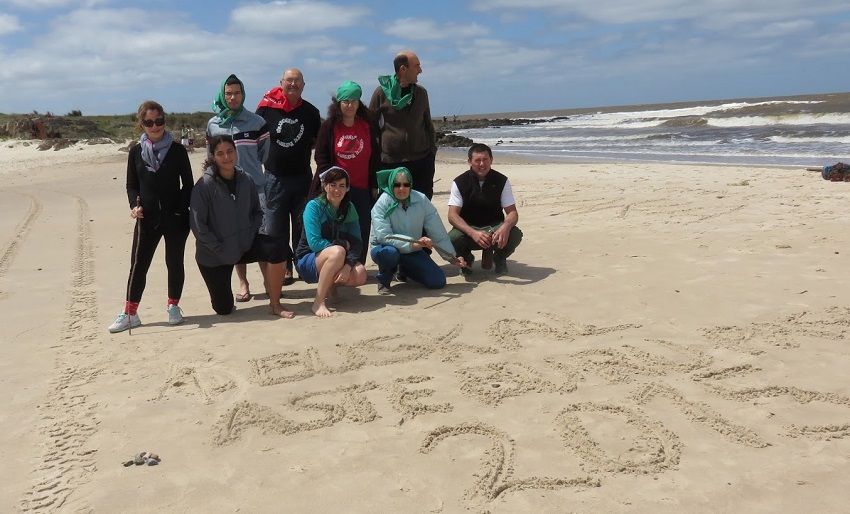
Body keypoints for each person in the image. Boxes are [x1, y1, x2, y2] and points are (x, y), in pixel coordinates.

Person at [108, 100, 193, 333]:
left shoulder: (177, 151)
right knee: (139, 265)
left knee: (174, 263)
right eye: (149, 122)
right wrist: (133, 206)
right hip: (146, 218)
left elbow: (188, 185)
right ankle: (130, 313)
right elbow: (131, 185)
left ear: (164, 120)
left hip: (175, 218)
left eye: (159, 121)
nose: (155, 126)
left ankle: (173, 307)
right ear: (141, 123)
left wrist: (180, 210)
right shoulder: (135, 151)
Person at [190, 135, 294, 318]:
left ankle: (275, 303)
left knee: (279, 248)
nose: (226, 157)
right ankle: (228, 296)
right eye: (220, 153)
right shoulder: (204, 185)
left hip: (243, 244)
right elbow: (199, 227)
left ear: (236, 152)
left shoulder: (246, 179)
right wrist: (220, 248)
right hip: (214, 254)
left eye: (230, 151)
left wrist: (249, 234)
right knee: (223, 309)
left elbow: (257, 212)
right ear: (213, 156)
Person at [207, 73, 271, 303]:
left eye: (237, 93)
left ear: (243, 94)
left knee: (262, 236)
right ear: (223, 96)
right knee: (234, 239)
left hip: (256, 189)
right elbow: (211, 158)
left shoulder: (257, 122)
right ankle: (243, 282)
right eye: (229, 93)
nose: (233, 97)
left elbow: (264, 154)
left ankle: (268, 281)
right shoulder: (213, 125)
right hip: (226, 191)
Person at [256, 68, 321, 285]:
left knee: (303, 225)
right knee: (276, 228)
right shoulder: (265, 109)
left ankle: (303, 264)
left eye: (297, 81)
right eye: (289, 81)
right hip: (274, 178)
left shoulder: (311, 112)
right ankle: (284, 267)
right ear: (281, 83)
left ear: (304, 85)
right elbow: (256, 139)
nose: (293, 84)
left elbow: (317, 141)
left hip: (302, 176)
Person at [312, 80, 380, 264]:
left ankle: (358, 264)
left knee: (362, 226)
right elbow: (321, 156)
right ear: (338, 103)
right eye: (346, 101)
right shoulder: (329, 126)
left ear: (359, 103)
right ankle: (337, 264)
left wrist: (374, 184)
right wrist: (329, 182)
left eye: (354, 101)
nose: (350, 105)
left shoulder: (367, 125)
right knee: (337, 227)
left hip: (362, 186)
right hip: (338, 188)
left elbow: (375, 157)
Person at [370, 167, 465, 294]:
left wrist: (451, 256)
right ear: (391, 185)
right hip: (384, 248)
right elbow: (384, 236)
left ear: (411, 185)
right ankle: (384, 279)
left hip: (412, 249)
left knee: (437, 281)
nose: (401, 188)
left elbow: (437, 231)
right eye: (397, 185)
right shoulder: (382, 203)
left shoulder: (421, 200)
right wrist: (413, 243)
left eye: (406, 184)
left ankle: (405, 268)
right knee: (390, 254)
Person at [294, 166, 367, 317]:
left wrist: (348, 266)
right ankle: (318, 302)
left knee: (360, 274)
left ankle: (332, 287)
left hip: (335, 256)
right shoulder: (314, 206)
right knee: (338, 251)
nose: (337, 190)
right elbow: (314, 243)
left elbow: (357, 242)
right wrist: (342, 245)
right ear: (325, 186)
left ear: (347, 188)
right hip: (307, 259)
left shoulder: (349, 207)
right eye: (332, 185)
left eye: (342, 186)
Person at [369, 51, 438, 200]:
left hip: (421, 161)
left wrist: (431, 153)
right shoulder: (381, 93)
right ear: (403, 69)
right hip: (390, 163)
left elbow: (428, 125)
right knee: (392, 210)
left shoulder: (421, 93)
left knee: (421, 209)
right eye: (417, 66)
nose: (420, 70)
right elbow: (370, 128)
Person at [447, 143, 523, 275]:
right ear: (469, 162)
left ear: (491, 160)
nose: (482, 164)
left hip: (494, 228)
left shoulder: (502, 181)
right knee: (451, 239)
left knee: (515, 234)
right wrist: (473, 233)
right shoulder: (460, 182)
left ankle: (499, 257)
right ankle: (467, 258)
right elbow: (452, 215)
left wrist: (505, 227)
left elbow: (512, 213)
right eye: (477, 160)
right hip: (469, 227)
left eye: (485, 159)